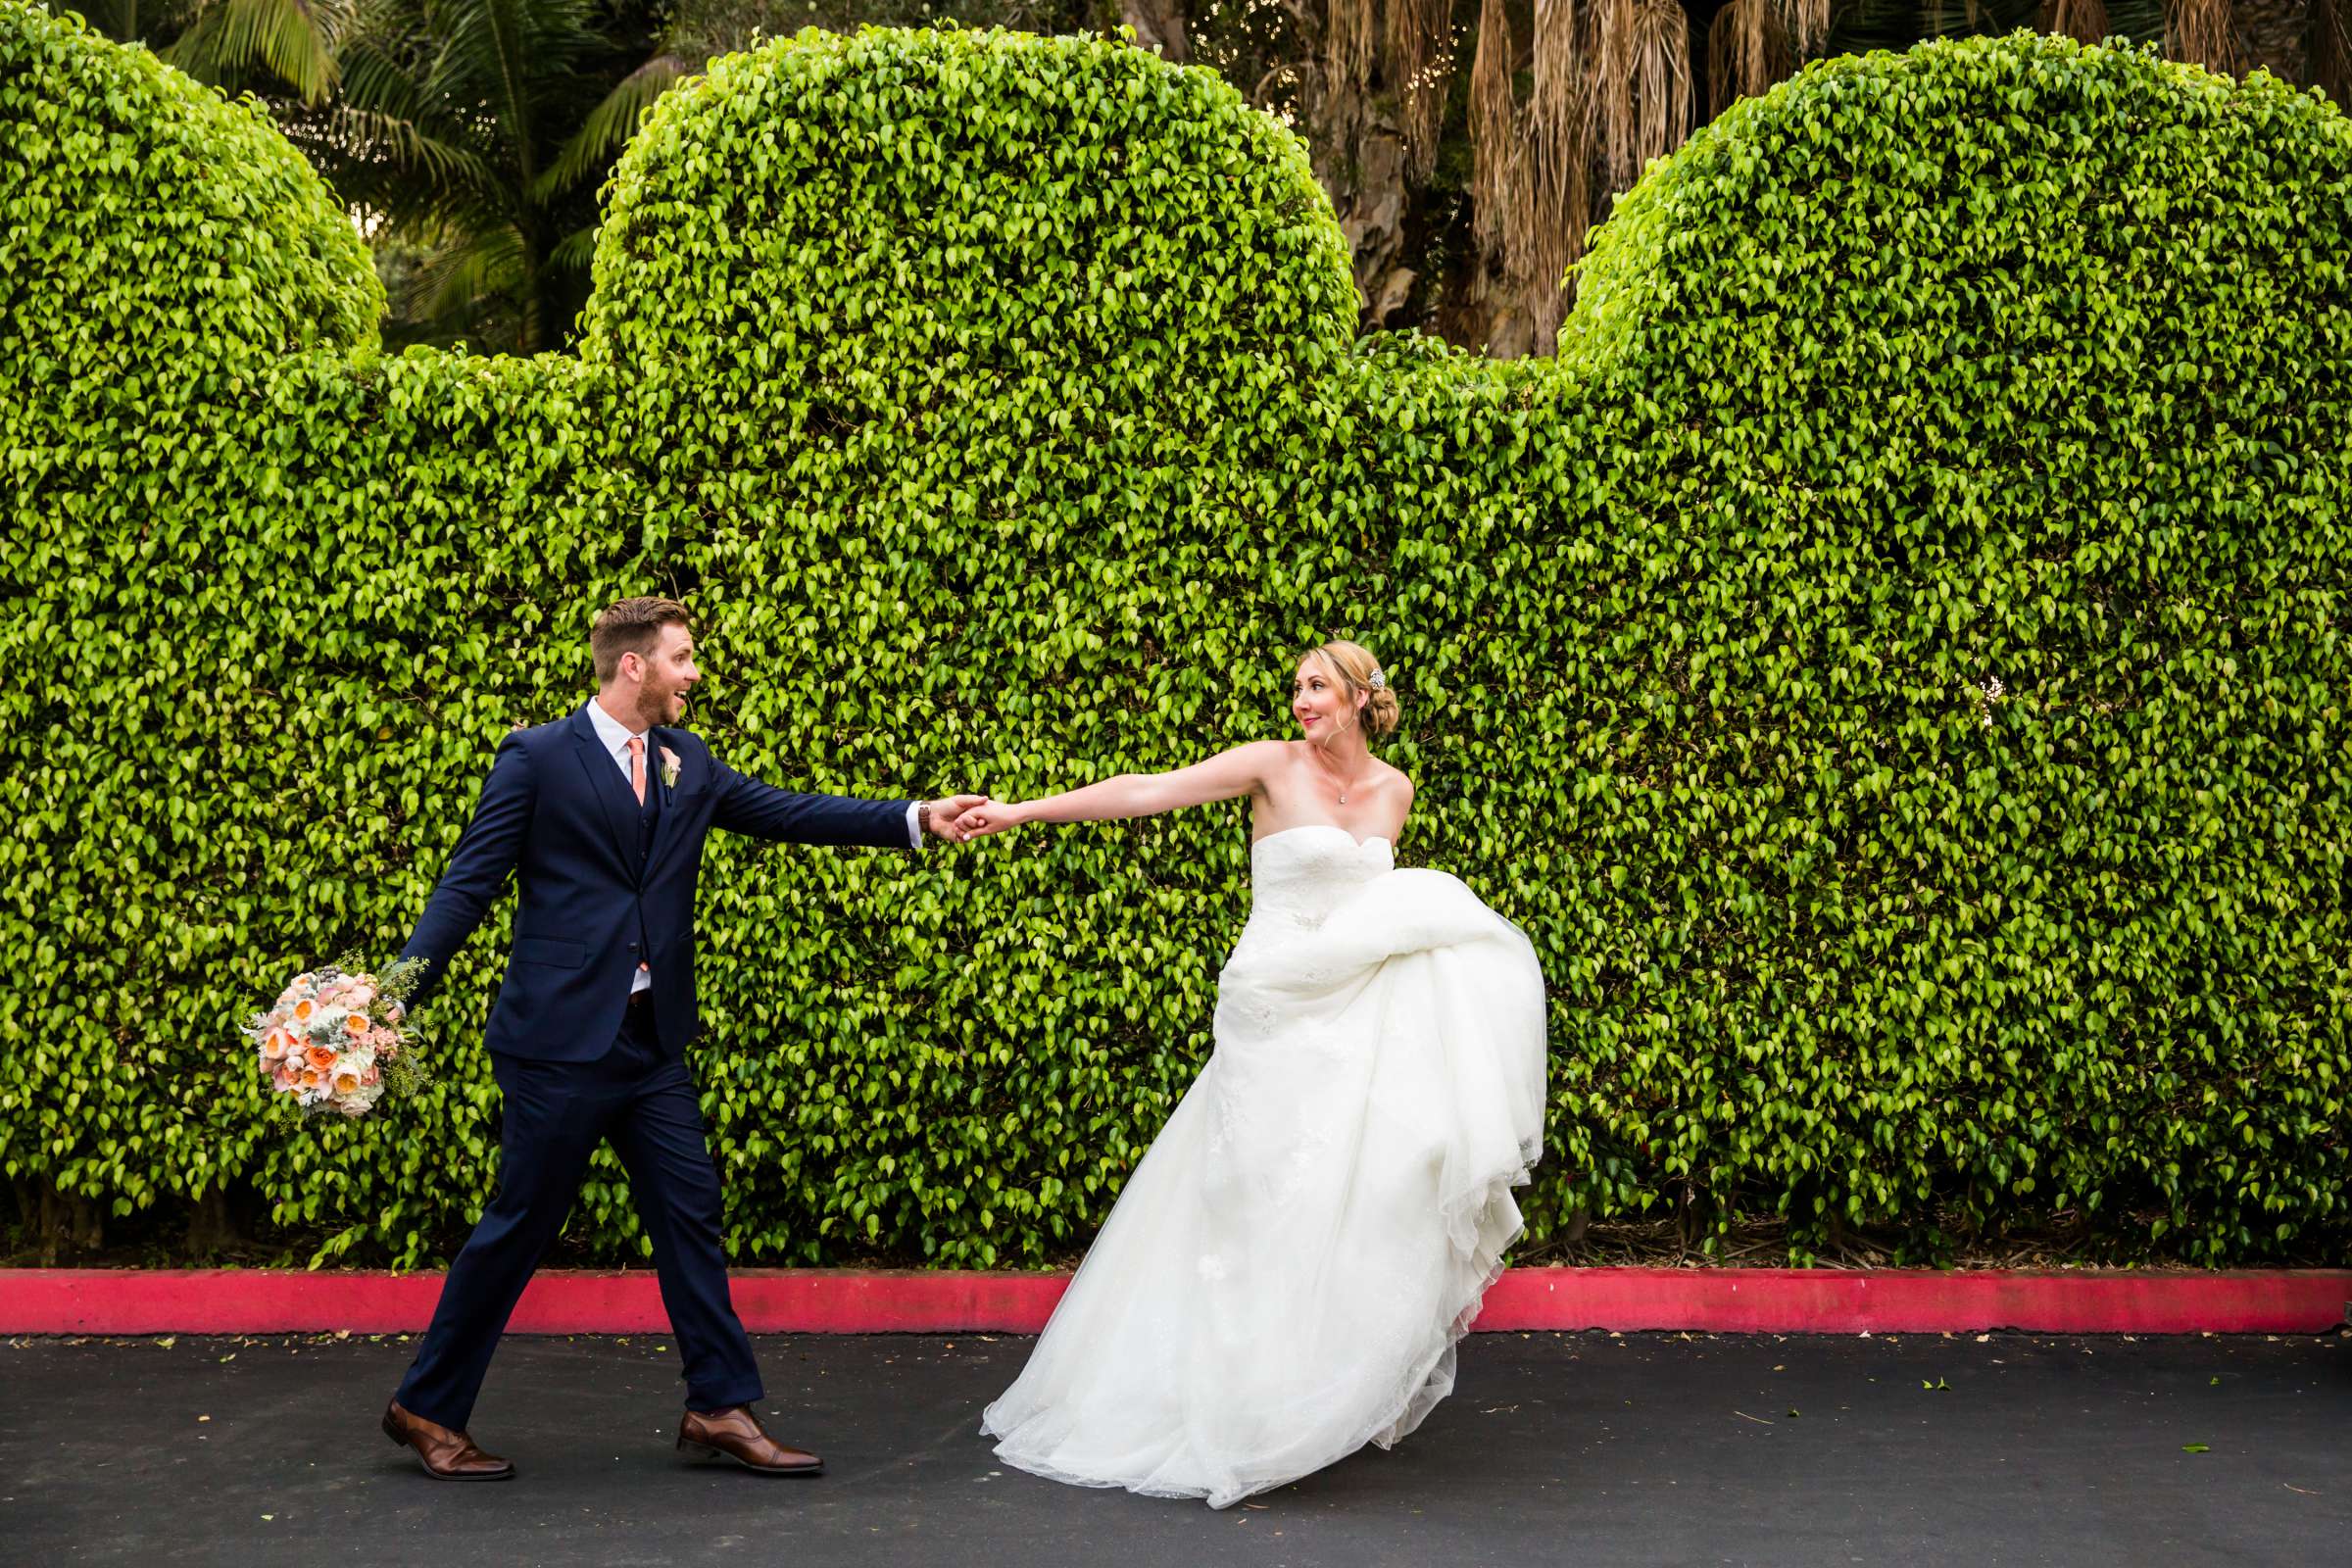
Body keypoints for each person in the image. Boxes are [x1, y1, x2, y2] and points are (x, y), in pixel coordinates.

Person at [379, 595, 985, 1481]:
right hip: (555, 1047)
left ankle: (718, 1406)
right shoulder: (538, 757)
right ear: (635, 667)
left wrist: (914, 818)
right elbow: (469, 885)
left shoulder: (685, 759)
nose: (694, 674)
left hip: (648, 1043)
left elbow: (784, 811)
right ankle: (424, 1408)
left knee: (690, 1214)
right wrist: (395, 996)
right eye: (683, 658)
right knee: (518, 1227)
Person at [963, 640, 1547, 1507]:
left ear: (1358, 696)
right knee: (1249, 1201)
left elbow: (1374, 909)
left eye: (1317, 687)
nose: (1301, 701)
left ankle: (1302, 1401)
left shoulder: (1396, 790)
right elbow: (1148, 792)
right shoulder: (1269, 767)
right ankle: (1218, 1401)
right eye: (1298, 688)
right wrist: (1018, 812)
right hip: (1272, 1007)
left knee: (1342, 1205)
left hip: (1354, 1016)